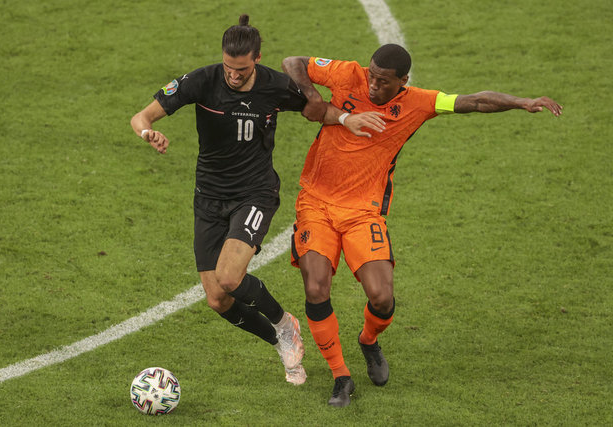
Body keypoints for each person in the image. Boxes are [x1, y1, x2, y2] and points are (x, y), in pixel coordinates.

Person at [282, 44, 562, 406]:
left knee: (382, 298)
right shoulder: (347, 73)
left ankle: (368, 341)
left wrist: (523, 102)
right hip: (315, 203)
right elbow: (293, 62)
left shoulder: (418, 102)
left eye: (383, 82)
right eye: (371, 76)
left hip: (363, 212)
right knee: (316, 287)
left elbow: (475, 101)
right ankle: (341, 377)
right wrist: (314, 99)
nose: (373, 86)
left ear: (403, 81)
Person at [130, 15, 355, 386]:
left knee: (229, 277)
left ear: (257, 59)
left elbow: (317, 111)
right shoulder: (202, 80)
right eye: (228, 68)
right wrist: (147, 134)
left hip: (254, 193)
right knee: (217, 299)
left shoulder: (274, 86)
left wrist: (347, 120)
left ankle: (284, 322)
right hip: (208, 197)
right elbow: (141, 116)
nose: (233, 76)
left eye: (242, 69)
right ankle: (281, 340)